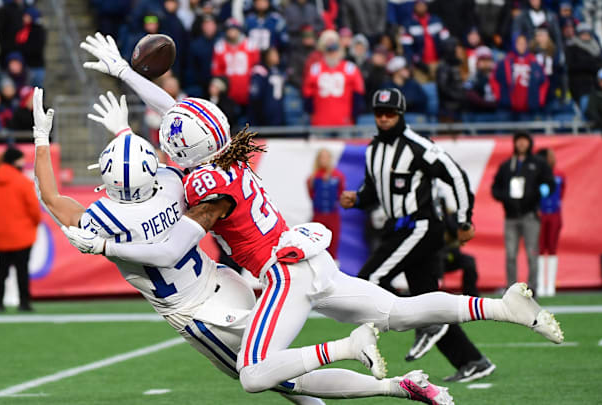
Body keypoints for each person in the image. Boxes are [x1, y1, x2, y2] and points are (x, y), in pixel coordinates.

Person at [71, 32, 563, 401]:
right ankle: (502, 309)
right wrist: (126, 74)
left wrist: (106, 246)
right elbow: (176, 109)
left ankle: (347, 347)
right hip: (312, 260)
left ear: (183, 147)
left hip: (284, 274)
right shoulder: (231, 153)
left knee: (253, 374)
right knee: (397, 311)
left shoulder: (205, 184)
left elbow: (174, 247)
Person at [32, 86, 407, 405]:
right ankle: (393, 386)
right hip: (225, 279)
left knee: (269, 375)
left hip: (196, 311)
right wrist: (124, 131)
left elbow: (51, 197)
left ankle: (351, 353)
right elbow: (173, 136)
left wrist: (41, 141)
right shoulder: (172, 182)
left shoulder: (105, 221)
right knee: (278, 368)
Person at [341, 88, 496, 382]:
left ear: (401, 115)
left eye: (390, 114)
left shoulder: (417, 145)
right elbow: (373, 190)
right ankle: (473, 360)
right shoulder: (374, 150)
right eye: (379, 113)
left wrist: (464, 220)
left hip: (421, 226)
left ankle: (404, 331)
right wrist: (357, 199)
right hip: (397, 228)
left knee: (370, 280)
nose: (384, 119)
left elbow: (456, 175)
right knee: (427, 302)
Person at [491, 131, 555, 294]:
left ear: (529, 143)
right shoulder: (507, 166)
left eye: (524, 141)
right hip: (511, 217)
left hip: (530, 216)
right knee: (511, 255)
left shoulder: (538, 163)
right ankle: (511, 290)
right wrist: (505, 197)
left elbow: (549, 183)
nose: (521, 144)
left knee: (531, 254)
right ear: (514, 143)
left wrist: (538, 193)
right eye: (518, 141)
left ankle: (533, 288)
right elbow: (495, 188)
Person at [0, 146, 40, 312]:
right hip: (22, 234)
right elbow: (34, 210)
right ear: (15, 161)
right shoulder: (23, 182)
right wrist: (34, 224)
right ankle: (24, 302)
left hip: (0, 234)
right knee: (22, 271)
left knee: (1, 271)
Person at [302, 37, 365, 126]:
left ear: (340, 52)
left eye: (334, 51)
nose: (332, 54)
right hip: (320, 122)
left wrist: (354, 115)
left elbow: (358, 93)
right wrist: (311, 112)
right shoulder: (315, 68)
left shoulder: (350, 68)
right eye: (329, 51)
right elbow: (307, 93)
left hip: (344, 121)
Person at [212, 18, 260, 109]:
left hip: (248, 90)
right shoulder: (220, 46)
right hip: (229, 93)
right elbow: (217, 71)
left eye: (234, 29)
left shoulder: (250, 45)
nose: (231, 32)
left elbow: (256, 68)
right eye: (229, 29)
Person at [536, 148, 565, 297]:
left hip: (555, 214)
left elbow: (561, 194)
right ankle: (541, 284)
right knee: (540, 248)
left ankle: (551, 285)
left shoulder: (560, 175)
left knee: (553, 248)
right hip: (541, 214)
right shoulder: (538, 175)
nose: (551, 159)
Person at [307, 149, 345, 259]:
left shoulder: (338, 176)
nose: (324, 160)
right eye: (322, 157)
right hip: (318, 216)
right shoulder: (312, 178)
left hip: (333, 215)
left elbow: (340, 194)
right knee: (316, 247)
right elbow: (312, 196)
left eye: (326, 157)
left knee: (333, 246)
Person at [566, 22, 602, 104]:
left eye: (587, 33)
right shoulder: (572, 47)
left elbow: (600, 63)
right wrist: (588, 65)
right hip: (580, 86)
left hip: (596, 85)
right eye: (583, 33)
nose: (585, 35)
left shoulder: (596, 46)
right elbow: (570, 66)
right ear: (578, 34)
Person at [249, 47, 286, 126]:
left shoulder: (278, 70)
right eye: (273, 54)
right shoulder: (260, 71)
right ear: (267, 56)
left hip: (277, 113)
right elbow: (255, 96)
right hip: (263, 114)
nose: (277, 56)